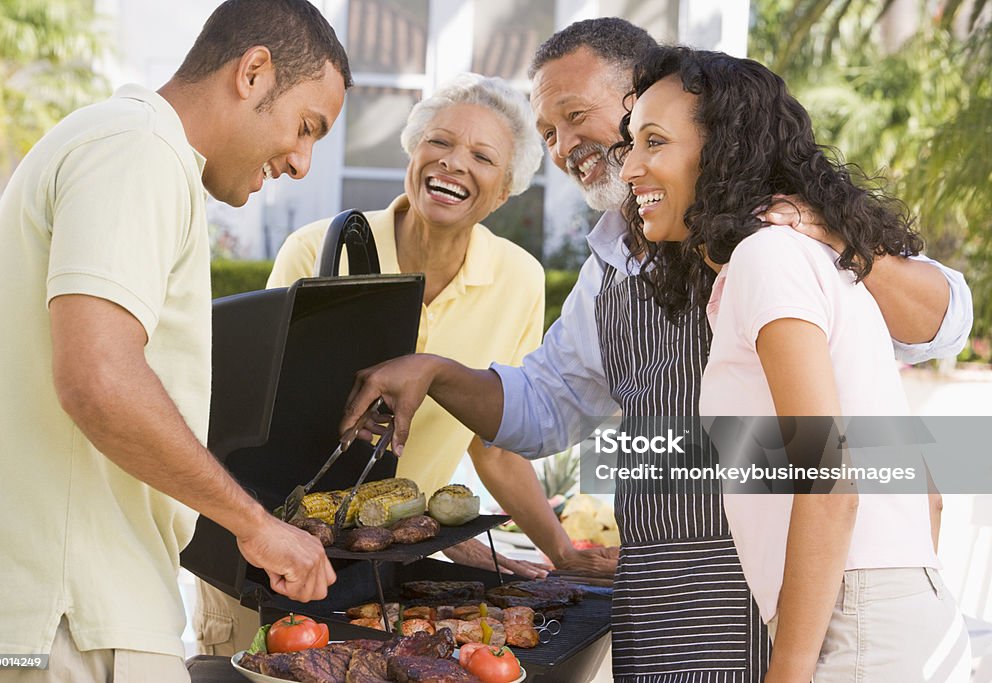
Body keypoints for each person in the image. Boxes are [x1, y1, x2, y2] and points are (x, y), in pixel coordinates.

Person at [339, 19, 973, 682]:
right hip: (671, 612)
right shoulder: (609, 267)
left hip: (792, 601)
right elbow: (543, 404)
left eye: (577, 117)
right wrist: (437, 370)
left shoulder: (779, 239)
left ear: (648, 97)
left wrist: (835, 236)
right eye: (550, 132)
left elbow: (942, 327)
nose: (564, 148)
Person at [0, 2, 351, 681]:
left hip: (45, 614)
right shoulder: (138, 148)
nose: (301, 160)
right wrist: (255, 523)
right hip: (75, 620)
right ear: (254, 72)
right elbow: (98, 376)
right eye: (307, 127)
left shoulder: (112, 142)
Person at [193, 71, 617, 656]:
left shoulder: (519, 279)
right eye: (438, 143)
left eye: (481, 156)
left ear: (504, 190)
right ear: (413, 153)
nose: (452, 163)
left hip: (382, 568)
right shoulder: (318, 253)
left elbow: (492, 441)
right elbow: (254, 419)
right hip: (266, 556)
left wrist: (562, 550)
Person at [617, 45, 971, 682]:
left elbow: (830, 483)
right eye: (631, 143)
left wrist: (794, 670)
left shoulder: (767, 260)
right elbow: (925, 488)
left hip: (857, 627)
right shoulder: (799, 263)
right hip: (883, 615)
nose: (629, 168)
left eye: (654, 142)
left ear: (722, 150)